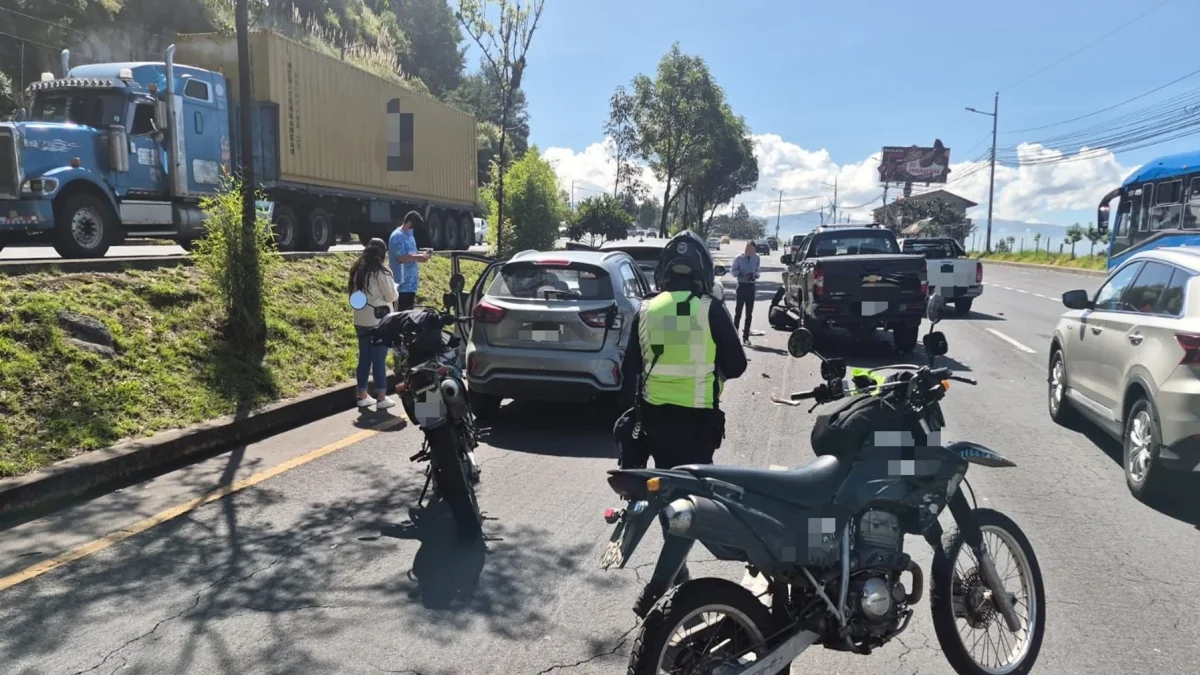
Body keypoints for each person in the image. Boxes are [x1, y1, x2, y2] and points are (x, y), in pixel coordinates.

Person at [618, 229, 748, 616]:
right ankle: (670, 583)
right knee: (691, 503)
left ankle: (677, 575)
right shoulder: (710, 308)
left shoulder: (645, 309)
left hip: (656, 422)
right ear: (703, 272)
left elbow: (629, 368)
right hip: (698, 425)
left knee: (667, 495)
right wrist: (711, 374)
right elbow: (738, 366)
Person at [350, 239, 400, 410]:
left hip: (360, 320)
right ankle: (381, 397)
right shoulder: (382, 272)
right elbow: (392, 296)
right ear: (382, 253)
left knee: (364, 358)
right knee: (379, 359)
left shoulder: (358, 269)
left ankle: (362, 395)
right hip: (378, 322)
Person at [388, 211, 431, 311]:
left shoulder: (410, 237)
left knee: (408, 316)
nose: (413, 230)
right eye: (413, 227)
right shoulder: (397, 236)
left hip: (411, 285)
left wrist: (422, 256)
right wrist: (417, 257)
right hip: (401, 285)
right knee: (400, 316)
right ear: (409, 223)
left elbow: (412, 254)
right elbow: (400, 258)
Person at [730, 240, 761, 345]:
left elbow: (758, 270)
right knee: (738, 312)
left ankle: (746, 337)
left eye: (753, 249)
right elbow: (733, 271)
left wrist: (755, 275)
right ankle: (734, 336)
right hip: (741, 286)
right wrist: (742, 273)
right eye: (749, 248)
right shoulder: (739, 258)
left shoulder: (757, 258)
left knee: (749, 314)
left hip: (751, 286)